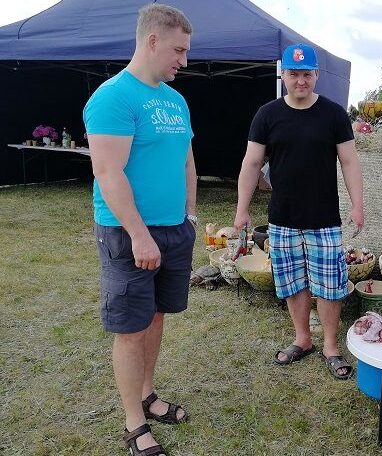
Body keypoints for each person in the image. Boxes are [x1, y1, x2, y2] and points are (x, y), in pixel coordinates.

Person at [83, 5, 196, 455]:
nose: (184, 60)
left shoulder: (176, 100)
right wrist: (139, 234)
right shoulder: (113, 97)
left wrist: (190, 215)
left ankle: (148, 395)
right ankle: (134, 423)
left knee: (156, 315)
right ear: (152, 40)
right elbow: (108, 173)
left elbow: (187, 161)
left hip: (173, 229)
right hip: (129, 233)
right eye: (178, 50)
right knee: (130, 328)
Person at [234, 43, 364, 380]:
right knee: (292, 282)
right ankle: (302, 339)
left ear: (317, 74)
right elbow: (251, 163)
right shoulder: (267, 115)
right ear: (284, 76)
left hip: (324, 218)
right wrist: (241, 209)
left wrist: (358, 204)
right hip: (282, 218)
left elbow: (349, 161)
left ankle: (331, 346)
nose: (301, 81)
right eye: (294, 74)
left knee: (330, 285)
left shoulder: (334, 115)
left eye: (307, 74)